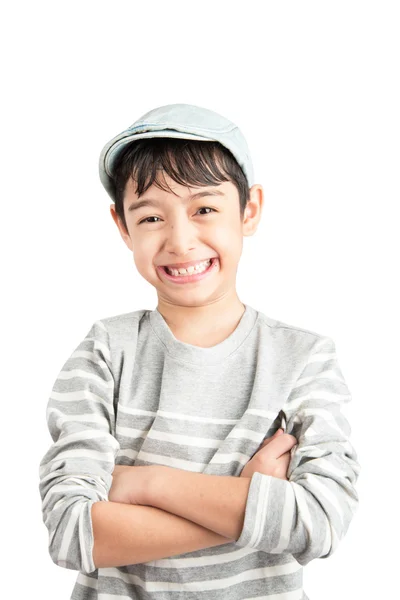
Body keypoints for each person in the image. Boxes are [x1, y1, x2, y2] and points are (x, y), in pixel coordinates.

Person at [38, 103, 360, 600]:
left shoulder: (303, 359)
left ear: (248, 209)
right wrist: (249, 500)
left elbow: (318, 523)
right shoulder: (105, 352)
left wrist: (145, 484)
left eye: (204, 209)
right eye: (150, 217)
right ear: (122, 226)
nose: (181, 240)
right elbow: (72, 531)